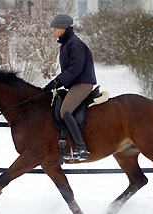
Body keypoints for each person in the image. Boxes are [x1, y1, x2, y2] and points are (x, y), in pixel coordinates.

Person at [43, 14, 97, 161]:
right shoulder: (68, 43)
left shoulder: (74, 44)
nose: (53, 31)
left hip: (83, 84)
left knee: (65, 111)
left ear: (63, 28)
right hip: (75, 83)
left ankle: (81, 148)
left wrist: (57, 81)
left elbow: (75, 69)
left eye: (55, 29)